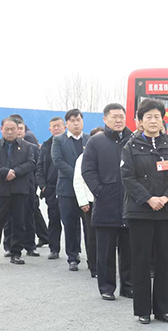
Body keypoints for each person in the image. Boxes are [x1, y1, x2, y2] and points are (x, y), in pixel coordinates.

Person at [120, 99, 168, 324]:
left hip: (167, 211)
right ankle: (142, 310)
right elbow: (127, 177)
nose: (152, 120)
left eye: (157, 117)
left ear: (162, 120)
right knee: (140, 260)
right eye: (147, 117)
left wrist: (166, 198)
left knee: (164, 261)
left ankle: (162, 309)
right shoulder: (131, 146)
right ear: (140, 121)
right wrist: (149, 199)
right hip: (140, 211)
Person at [82, 105, 134, 300]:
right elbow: (87, 170)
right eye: (114, 117)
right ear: (105, 119)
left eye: (121, 116)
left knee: (129, 250)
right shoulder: (96, 142)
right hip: (106, 203)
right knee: (105, 251)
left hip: (130, 204)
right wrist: (100, 192)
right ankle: (106, 287)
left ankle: (128, 286)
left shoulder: (134, 140)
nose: (118, 120)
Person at [0, 117, 36, 265]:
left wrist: (15, 172)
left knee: (19, 223)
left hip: (20, 191)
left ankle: (16, 252)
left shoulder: (27, 146)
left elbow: (31, 164)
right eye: (6, 129)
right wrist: (5, 172)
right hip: (0, 191)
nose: (9, 132)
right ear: (1, 129)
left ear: (19, 129)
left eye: (13, 129)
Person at [52, 109, 90, 271]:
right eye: (72, 120)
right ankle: (72, 257)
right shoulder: (59, 140)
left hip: (87, 190)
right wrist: (77, 176)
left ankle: (93, 257)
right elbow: (58, 161)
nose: (76, 123)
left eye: (78, 120)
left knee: (90, 226)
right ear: (66, 123)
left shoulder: (90, 139)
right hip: (66, 190)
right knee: (70, 224)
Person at [36, 117, 65, 260]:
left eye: (59, 125)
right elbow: (39, 167)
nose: (56, 128)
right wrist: (43, 186)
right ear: (50, 129)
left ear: (64, 127)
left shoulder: (69, 143)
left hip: (68, 188)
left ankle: (75, 250)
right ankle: (54, 249)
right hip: (51, 188)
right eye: (53, 126)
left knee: (72, 221)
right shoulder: (46, 145)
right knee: (54, 219)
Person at [73, 129, 98, 278]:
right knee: (92, 235)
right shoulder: (83, 158)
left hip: (109, 202)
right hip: (90, 202)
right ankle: (94, 266)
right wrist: (83, 202)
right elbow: (78, 181)